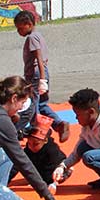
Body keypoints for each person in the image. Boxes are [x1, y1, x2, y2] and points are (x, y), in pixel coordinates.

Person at [53, 88, 100, 193]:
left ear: (91, 112)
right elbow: (76, 152)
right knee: (83, 147)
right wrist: (62, 166)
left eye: (78, 114)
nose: (76, 118)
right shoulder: (87, 125)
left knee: (89, 157)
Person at [14, 10, 70, 143]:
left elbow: (39, 58)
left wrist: (42, 80)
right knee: (42, 104)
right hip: (42, 72)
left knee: (33, 105)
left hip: (35, 75)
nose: (19, 32)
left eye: (20, 28)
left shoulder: (32, 38)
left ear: (28, 24)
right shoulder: (38, 35)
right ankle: (59, 124)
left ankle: (38, 130)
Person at [10, 114, 71, 192]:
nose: (32, 147)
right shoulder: (28, 149)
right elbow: (17, 165)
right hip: (40, 168)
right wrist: (6, 179)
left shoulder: (52, 150)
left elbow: (51, 168)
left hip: (57, 167)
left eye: (36, 144)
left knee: (60, 173)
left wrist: (46, 182)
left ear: (45, 141)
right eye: (29, 143)